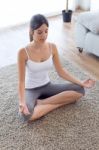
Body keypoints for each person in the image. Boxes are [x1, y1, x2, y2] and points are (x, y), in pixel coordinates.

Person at [17, 14, 95, 122]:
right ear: (31, 31)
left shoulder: (52, 47)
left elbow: (61, 71)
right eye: (39, 32)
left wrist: (81, 83)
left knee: (80, 90)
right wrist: (21, 102)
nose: (44, 35)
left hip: (47, 86)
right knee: (26, 115)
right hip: (31, 89)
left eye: (46, 31)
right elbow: (21, 81)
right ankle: (57, 102)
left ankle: (42, 103)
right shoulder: (23, 52)